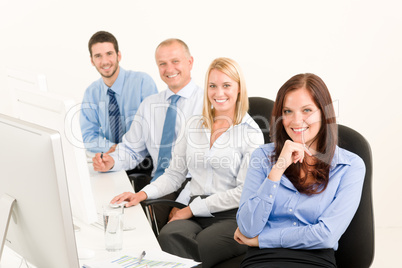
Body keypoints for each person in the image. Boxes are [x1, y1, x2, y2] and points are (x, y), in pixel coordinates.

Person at [111, 57, 264, 267]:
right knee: (168, 235)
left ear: (239, 89)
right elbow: (175, 174)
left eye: (226, 85)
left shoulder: (251, 133)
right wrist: (142, 193)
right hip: (196, 210)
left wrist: (191, 209)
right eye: (213, 86)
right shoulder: (194, 124)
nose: (219, 93)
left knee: (203, 244)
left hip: (232, 215)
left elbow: (243, 192)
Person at [234, 73, 366, 268]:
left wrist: (263, 240)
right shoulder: (262, 156)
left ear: (324, 113)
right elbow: (247, 228)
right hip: (262, 260)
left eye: (306, 110)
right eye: (287, 111)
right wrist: (278, 169)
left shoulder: (350, 166)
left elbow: (326, 236)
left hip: (314, 260)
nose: (296, 121)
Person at [93, 38, 204, 226]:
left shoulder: (207, 104)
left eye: (175, 61)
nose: (169, 69)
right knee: (116, 215)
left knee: (142, 223)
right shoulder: (150, 104)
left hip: (194, 186)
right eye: (162, 64)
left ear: (190, 62)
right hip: (159, 183)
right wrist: (111, 161)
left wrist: (184, 203)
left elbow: (206, 169)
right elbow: (132, 148)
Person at [80, 31, 158, 153]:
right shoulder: (91, 93)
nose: (105, 61)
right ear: (92, 60)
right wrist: (117, 150)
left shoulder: (143, 83)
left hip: (144, 161)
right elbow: (89, 136)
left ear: (119, 55)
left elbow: (153, 129)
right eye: (98, 56)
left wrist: (127, 153)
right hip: (112, 158)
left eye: (109, 54)